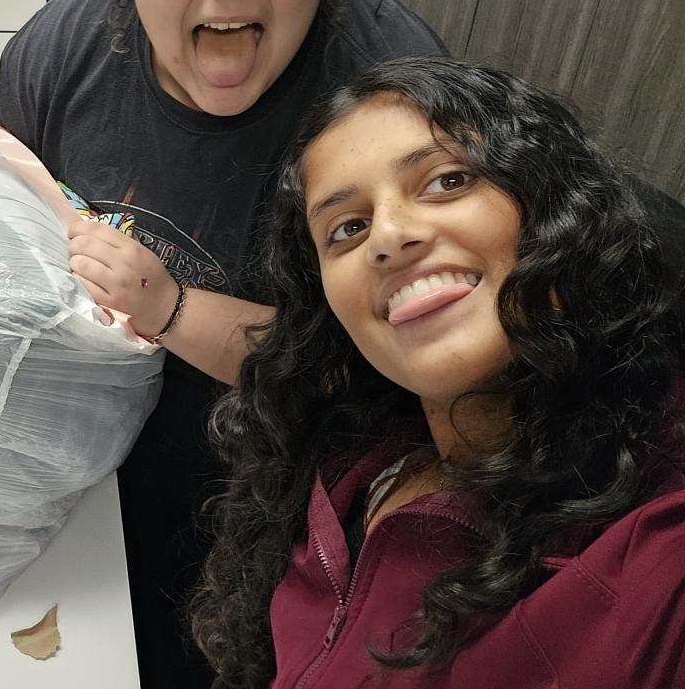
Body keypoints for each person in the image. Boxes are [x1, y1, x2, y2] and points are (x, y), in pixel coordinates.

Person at [0, 0, 446, 685]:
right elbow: (2, 142)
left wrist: (167, 306)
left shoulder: (390, 93)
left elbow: (376, 366)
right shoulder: (77, 32)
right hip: (86, 442)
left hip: (283, 475)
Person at [191, 56, 685, 688]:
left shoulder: (655, 556)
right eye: (347, 227)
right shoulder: (341, 457)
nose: (387, 237)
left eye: (447, 181)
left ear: (556, 209)